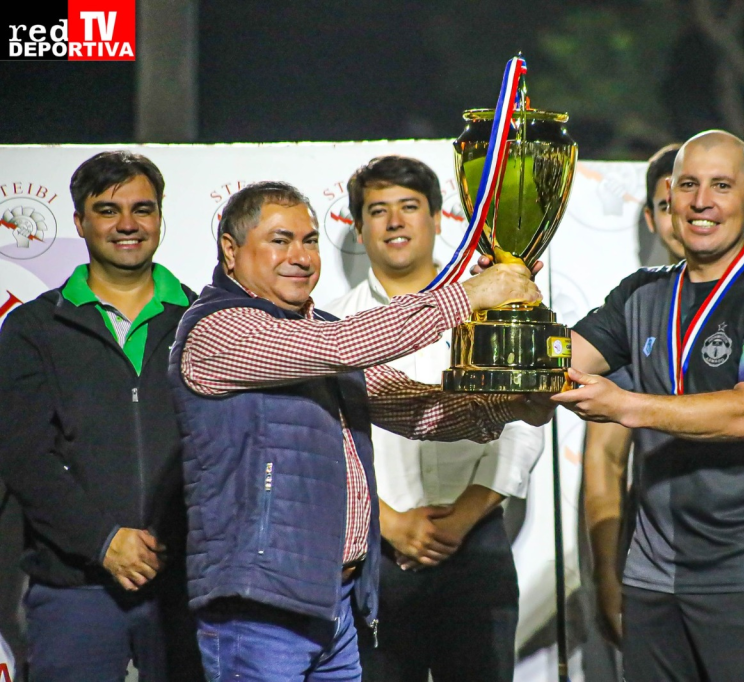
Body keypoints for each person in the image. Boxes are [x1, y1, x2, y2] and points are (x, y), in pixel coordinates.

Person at [169, 180, 552, 681]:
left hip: (338, 604)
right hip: (261, 608)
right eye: (280, 240)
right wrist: (470, 296)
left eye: (309, 240)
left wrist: (509, 405)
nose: (300, 256)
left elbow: (413, 408)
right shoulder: (219, 329)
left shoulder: (318, 329)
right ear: (230, 250)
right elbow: (339, 346)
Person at [552, 130, 744, 682]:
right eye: (688, 185)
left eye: (721, 186)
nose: (702, 201)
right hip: (653, 579)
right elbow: (558, 364)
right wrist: (506, 303)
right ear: (669, 196)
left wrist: (626, 405)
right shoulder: (640, 294)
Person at [325, 155, 545, 681]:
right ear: (359, 228)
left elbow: (521, 418)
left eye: (409, 206)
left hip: (478, 544)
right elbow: (329, 440)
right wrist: (390, 523)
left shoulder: (488, 311)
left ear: (438, 218)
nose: (394, 221)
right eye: (378, 210)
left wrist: (466, 516)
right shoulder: (335, 324)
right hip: (377, 550)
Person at [0, 151, 202, 681]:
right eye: (108, 210)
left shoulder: (203, 320)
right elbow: (24, 457)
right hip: (75, 591)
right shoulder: (33, 328)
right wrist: (104, 540)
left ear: (160, 216)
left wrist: (178, 542)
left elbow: (224, 449)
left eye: (142, 209)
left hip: (187, 586)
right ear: (79, 222)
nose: (127, 224)